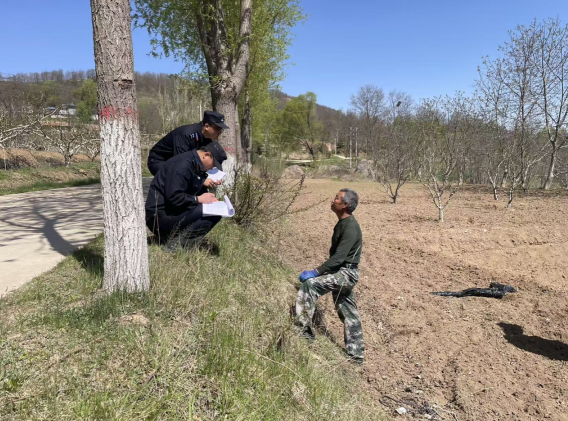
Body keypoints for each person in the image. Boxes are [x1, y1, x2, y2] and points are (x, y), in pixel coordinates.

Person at [295, 188, 365, 363]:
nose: (333, 200)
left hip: (346, 273)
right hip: (342, 271)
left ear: (345, 205)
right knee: (348, 310)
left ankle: (303, 330)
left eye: (337, 198)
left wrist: (316, 272)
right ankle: (356, 355)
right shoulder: (343, 223)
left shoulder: (350, 228)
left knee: (310, 285)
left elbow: (339, 258)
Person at [145, 141, 227, 249]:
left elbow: (190, 187)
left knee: (216, 212)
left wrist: (207, 196)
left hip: (171, 211)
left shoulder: (193, 162)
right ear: (206, 155)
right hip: (159, 219)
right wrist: (198, 199)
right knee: (210, 212)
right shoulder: (182, 165)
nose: (212, 168)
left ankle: (176, 239)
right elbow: (174, 197)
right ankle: (175, 245)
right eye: (213, 164)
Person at [147, 110, 229, 176]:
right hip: (159, 161)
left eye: (221, 130)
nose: (220, 132)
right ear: (207, 126)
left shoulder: (207, 138)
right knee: (181, 178)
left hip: (175, 162)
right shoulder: (186, 134)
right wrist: (202, 180)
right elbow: (181, 163)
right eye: (217, 128)